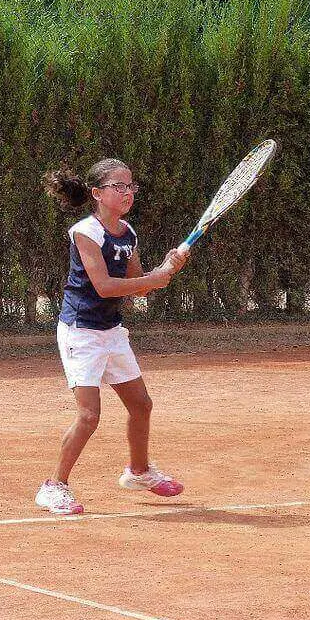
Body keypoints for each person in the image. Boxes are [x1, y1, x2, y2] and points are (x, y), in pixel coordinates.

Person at [35, 158, 188, 515]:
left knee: (141, 405)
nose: (127, 192)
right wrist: (151, 278)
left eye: (130, 185)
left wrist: (166, 268)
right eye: (118, 186)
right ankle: (53, 486)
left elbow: (138, 288)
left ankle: (138, 472)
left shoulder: (128, 233)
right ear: (97, 194)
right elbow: (104, 286)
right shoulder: (85, 232)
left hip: (112, 331)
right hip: (81, 332)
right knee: (89, 416)